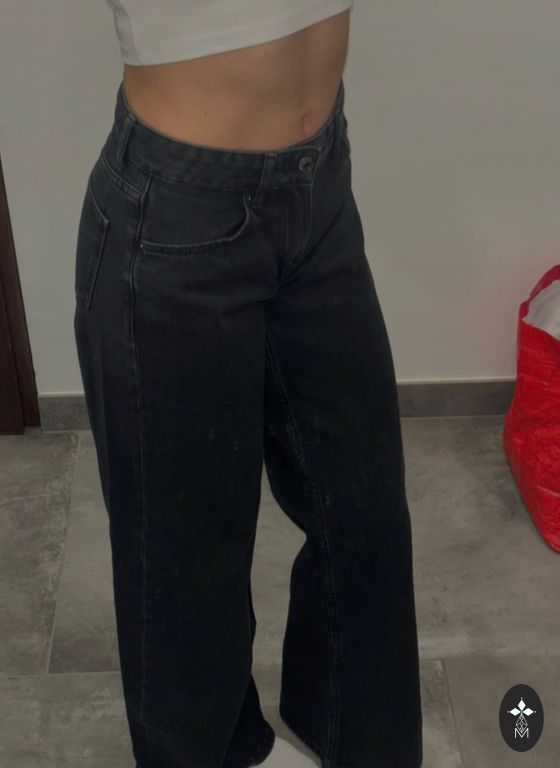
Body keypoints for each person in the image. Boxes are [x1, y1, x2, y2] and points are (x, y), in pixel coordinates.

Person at [73, 2, 424, 767]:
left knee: (362, 514)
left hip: (320, 188)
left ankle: (364, 746)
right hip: (178, 214)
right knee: (185, 564)